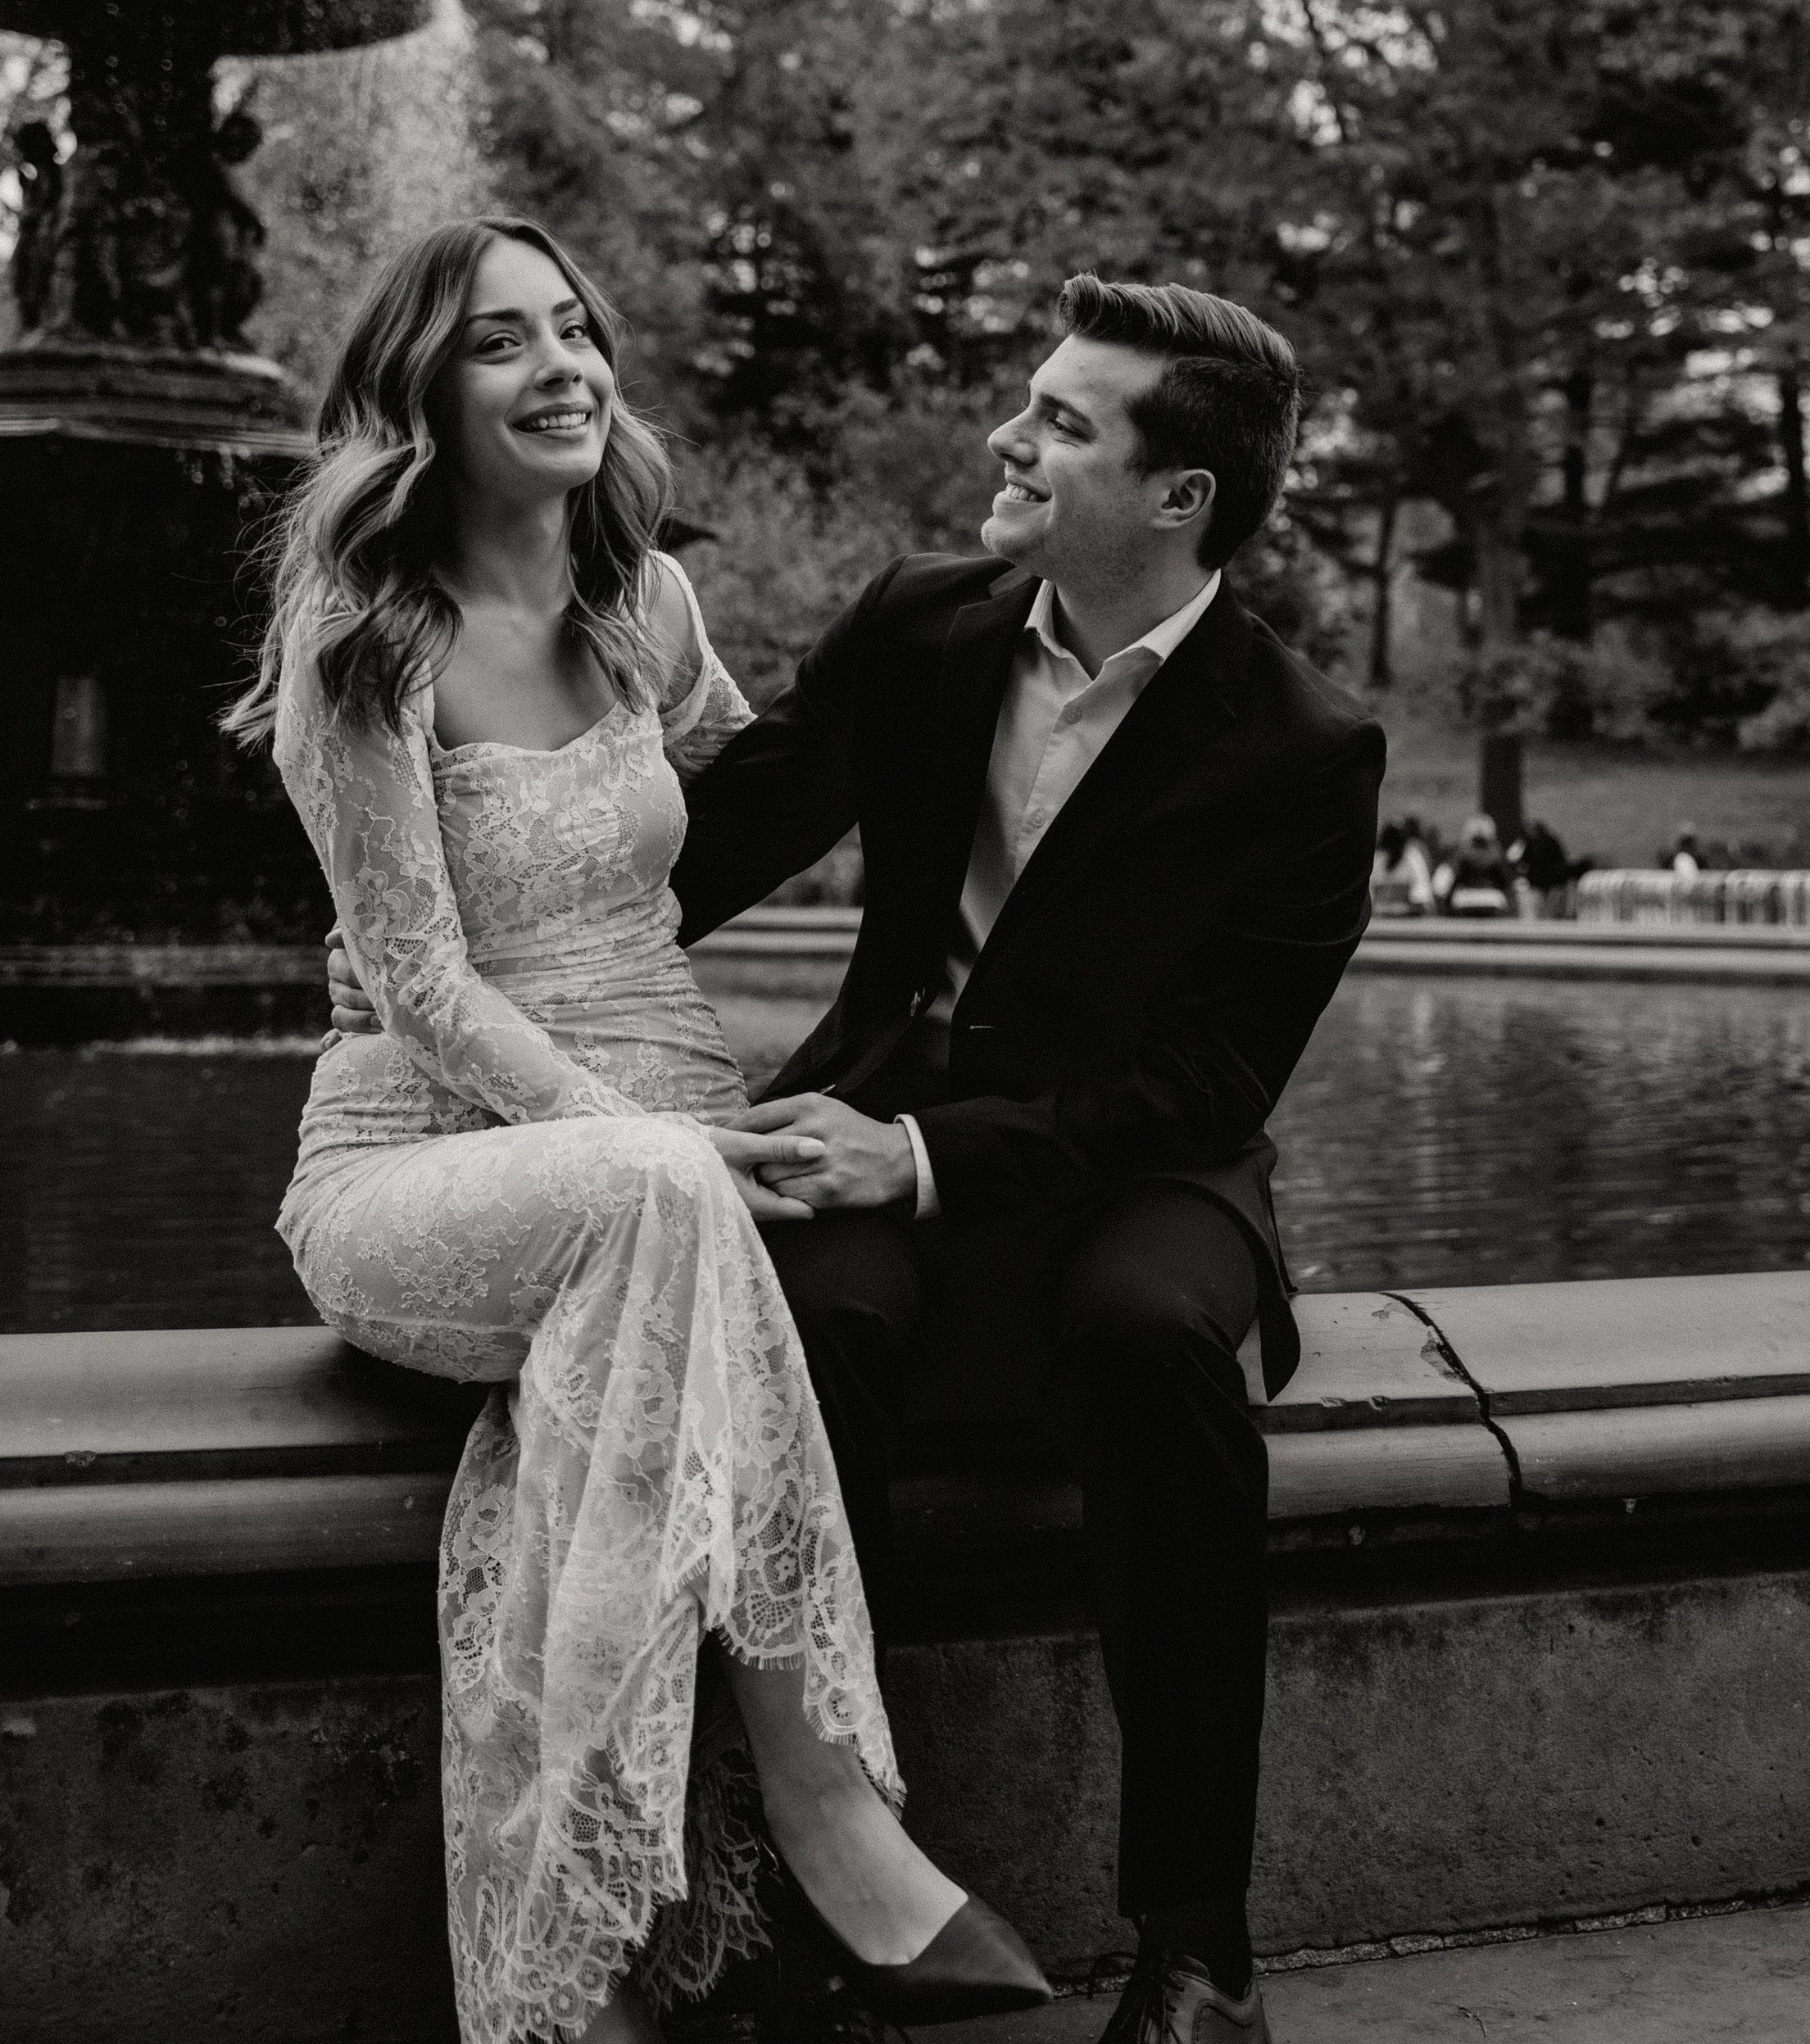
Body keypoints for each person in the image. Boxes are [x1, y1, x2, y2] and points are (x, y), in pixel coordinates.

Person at [347, 274, 1381, 2044]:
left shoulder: (1302, 745)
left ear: (1174, 495)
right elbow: (692, 843)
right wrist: (434, 920)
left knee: (1150, 1350)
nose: (1011, 432)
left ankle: (1198, 1946)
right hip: (866, 1112)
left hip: (1139, 1170)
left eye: (1061, 420)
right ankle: (809, 1887)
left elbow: (1204, 1083)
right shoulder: (924, 624)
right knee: (793, 1332)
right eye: (1030, 397)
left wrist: (912, 1157)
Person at [255, 219, 1047, 2044]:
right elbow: (429, 990)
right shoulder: (363, 639)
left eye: (575, 327)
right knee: (663, 1191)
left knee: (637, 1332)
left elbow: (753, 801)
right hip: (419, 1158)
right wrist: (680, 1136)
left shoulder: (648, 611)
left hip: (656, 1158)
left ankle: (586, 1965)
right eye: (496, 344)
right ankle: (828, 1796)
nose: (562, 367)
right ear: (416, 400)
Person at [1444, 812, 1513, 915]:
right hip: (1492, 897)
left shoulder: (1462, 852)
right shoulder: (1496, 852)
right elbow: (1505, 880)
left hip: (1465, 897)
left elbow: (1455, 878)